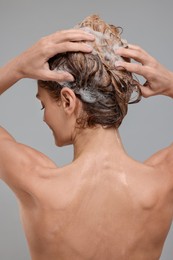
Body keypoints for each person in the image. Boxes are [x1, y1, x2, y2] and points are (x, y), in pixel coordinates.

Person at [0, 14, 173, 260]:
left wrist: (17, 67)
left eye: (43, 105)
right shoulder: (161, 182)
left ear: (68, 101)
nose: (44, 118)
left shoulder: (38, 183)